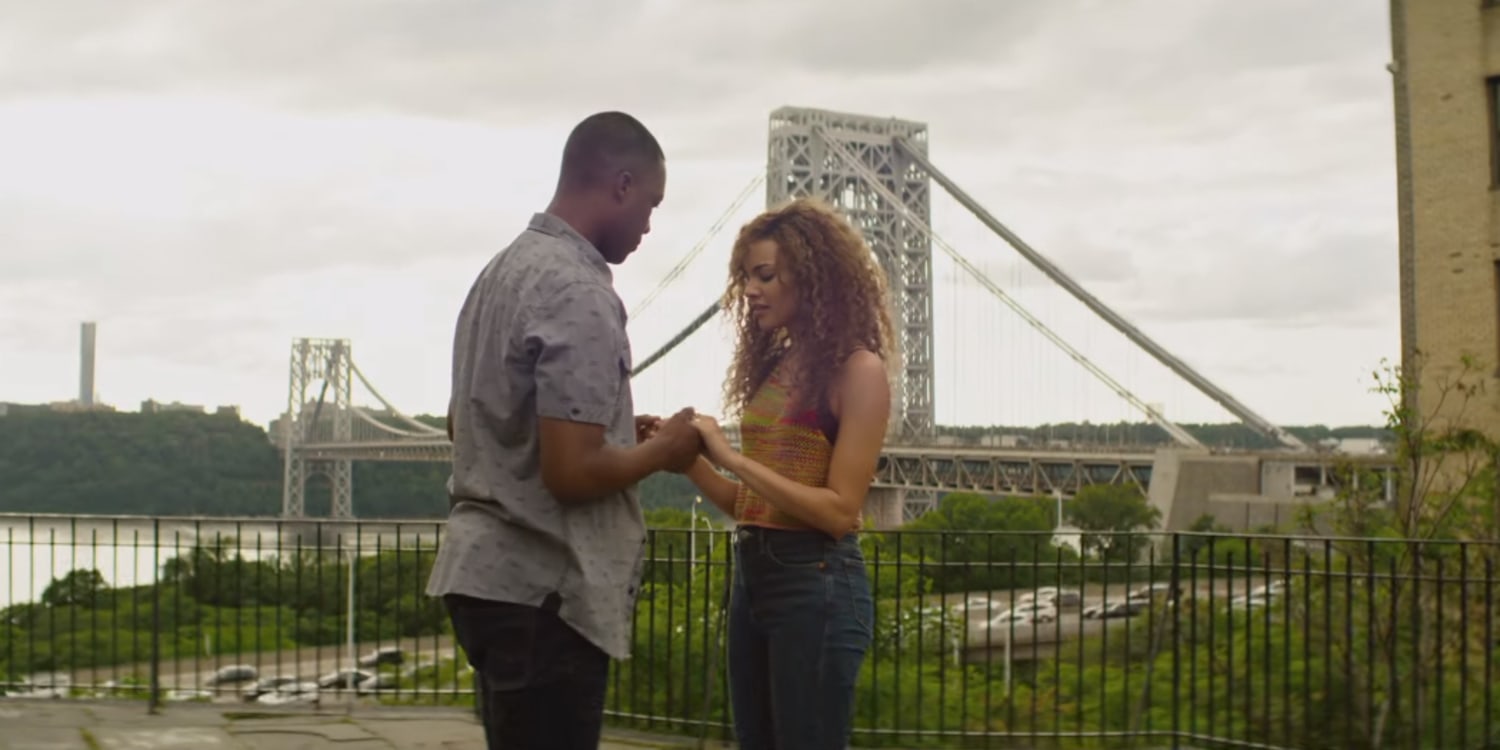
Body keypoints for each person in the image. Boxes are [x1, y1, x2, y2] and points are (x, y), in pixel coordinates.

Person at [425, 111, 704, 750]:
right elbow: (571, 474)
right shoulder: (578, 290)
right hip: (544, 593)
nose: (650, 226)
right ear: (621, 185)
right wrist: (663, 450)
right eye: (652, 204)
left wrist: (608, 431)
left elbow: (466, 421)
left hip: (485, 582)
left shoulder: (501, 272)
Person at [683, 198, 894, 750]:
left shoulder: (858, 370)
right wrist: (685, 457)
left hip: (817, 581)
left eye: (765, 276)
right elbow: (752, 505)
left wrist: (731, 457)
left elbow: (839, 511)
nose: (749, 290)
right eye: (745, 277)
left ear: (813, 274)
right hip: (754, 574)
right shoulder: (779, 369)